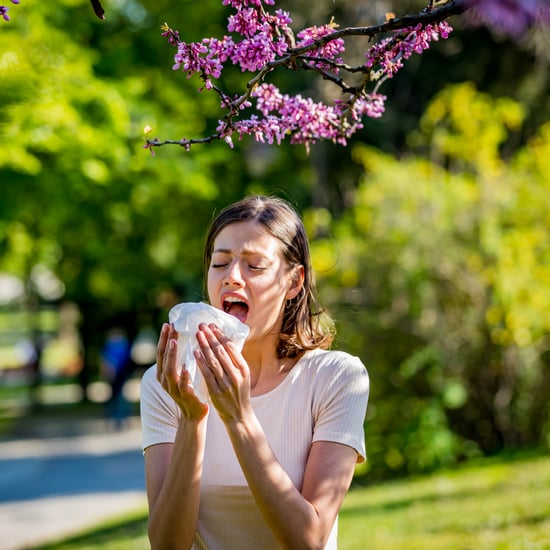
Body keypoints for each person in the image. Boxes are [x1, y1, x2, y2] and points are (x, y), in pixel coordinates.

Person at [140, 195, 370, 549]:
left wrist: (239, 416)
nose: (232, 277)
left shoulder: (337, 379)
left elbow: (308, 541)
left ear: (294, 283)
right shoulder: (167, 385)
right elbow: (167, 546)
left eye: (255, 266)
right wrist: (192, 417)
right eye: (220, 263)